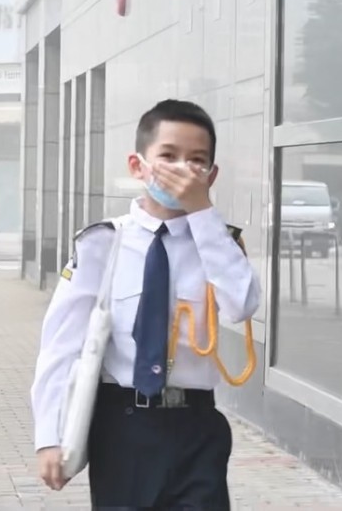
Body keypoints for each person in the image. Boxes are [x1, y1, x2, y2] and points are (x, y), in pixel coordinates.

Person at [31, 99, 261, 509]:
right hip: (123, 427)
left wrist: (202, 213)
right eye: (168, 157)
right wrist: (49, 436)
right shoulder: (102, 243)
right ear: (138, 166)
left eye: (197, 161)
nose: (183, 171)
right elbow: (61, 344)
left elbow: (241, 305)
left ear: (211, 175)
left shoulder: (218, 244)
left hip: (196, 427)